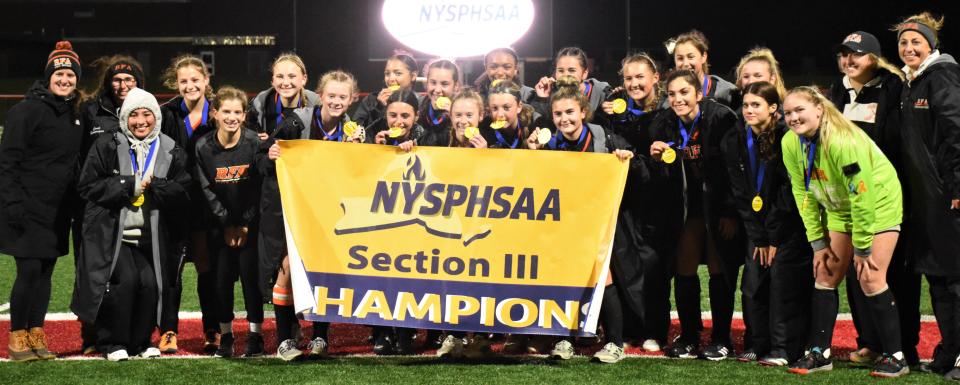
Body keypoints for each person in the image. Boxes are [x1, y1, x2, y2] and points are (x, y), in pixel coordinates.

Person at [781, 86, 907, 377]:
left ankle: (896, 356)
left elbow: (863, 197)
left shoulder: (842, 141)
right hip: (839, 207)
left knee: (870, 276)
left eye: (800, 110)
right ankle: (819, 352)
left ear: (819, 109)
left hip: (879, 204)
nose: (794, 118)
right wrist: (817, 242)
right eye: (788, 112)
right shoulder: (791, 142)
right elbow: (803, 193)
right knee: (825, 272)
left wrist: (862, 249)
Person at [825, 30, 920, 368]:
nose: (849, 60)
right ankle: (869, 341)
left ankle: (903, 346)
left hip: (885, 193)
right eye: (844, 54)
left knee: (891, 272)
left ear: (874, 58)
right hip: (851, 197)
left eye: (857, 54)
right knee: (857, 270)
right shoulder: (839, 90)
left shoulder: (892, 88)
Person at [75, 87, 190, 361]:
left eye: (147, 114)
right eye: (134, 115)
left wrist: (157, 188)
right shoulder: (108, 144)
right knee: (125, 281)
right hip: (114, 234)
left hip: (151, 236)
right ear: (124, 118)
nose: (141, 121)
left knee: (150, 284)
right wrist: (129, 185)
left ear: (156, 117)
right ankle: (112, 342)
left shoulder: (170, 148)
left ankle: (140, 342)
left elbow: (184, 191)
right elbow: (88, 185)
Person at [526, 76, 635, 363]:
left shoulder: (605, 138)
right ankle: (563, 339)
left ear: (583, 112)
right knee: (563, 278)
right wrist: (533, 157)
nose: (564, 119)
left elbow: (635, 174)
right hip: (562, 224)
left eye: (570, 112)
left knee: (602, 277)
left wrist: (624, 158)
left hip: (597, 224)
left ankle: (614, 343)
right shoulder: (547, 145)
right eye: (558, 114)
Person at [265, 70, 363, 358]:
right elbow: (265, 154)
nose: (336, 101)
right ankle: (285, 341)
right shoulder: (297, 122)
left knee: (324, 274)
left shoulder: (353, 132)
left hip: (331, 215)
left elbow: (358, 177)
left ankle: (320, 337)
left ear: (351, 100)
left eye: (342, 97)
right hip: (295, 210)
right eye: (331, 95)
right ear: (320, 96)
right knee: (286, 272)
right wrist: (271, 154)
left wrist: (356, 152)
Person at [0, 41, 84, 362]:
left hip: (57, 211)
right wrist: (12, 205)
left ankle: (37, 333)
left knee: (47, 273)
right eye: (59, 74)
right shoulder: (25, 110)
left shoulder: (74, 115)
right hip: (27, 208)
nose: (65, 80)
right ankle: (17, 336)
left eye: (70, 75)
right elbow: (8, 162)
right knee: (29, 272)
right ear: (48, 76)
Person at [649, 69, 740, 361]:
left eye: (684, 93)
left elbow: (734, 169)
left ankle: (721, 338)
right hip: (687, 207)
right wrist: (657, 159)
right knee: (684, 268)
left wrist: (728, 210)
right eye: (672, 94)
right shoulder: (663, 123)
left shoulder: (722, 118)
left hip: (717, 205)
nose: (678, 100)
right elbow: (661, 177)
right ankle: (689, 336)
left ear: (699, 94)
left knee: (718, 268)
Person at [721, 82, 812, 366]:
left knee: (783, 285)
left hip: (788, 225)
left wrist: (773, 235)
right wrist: (759, 236)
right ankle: (758, 343)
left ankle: (784, 348)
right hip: (758, 228)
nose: (748, 110)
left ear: (773, 108)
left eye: (756, 105)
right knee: (752, 285)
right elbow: (739, 192)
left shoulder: (788, 137)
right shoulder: (734, 139)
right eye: (746, 105)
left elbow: (788, 191)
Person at [892, 11, 960, 381]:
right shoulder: (912, 82)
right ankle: (950, 352)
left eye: (916, 41)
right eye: (903, 42)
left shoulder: (943, 76)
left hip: (947, 196)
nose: (908, 47)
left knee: (955, 279)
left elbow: (956, 132)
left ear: (932, 45)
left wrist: (957, 188)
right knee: (938, 278)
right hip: (927, 201)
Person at [596, 52, 670, 352]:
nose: (634, 83)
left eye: (640, 77)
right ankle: (628, 328)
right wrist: (603, 114)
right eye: (628, 78)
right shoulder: (615, 112)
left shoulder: (666, 114)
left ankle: (655, 329)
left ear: (655, 78)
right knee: (624, 264)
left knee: (653, 266)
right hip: (623, 198)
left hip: (657, 200)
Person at [247, 53, 318, 361]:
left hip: (313, 195)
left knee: (312, 263)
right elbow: (254, 157)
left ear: (304, 78)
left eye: (293, 76)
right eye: (280, 77)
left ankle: (318, 335)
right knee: (280, 264)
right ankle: (286, 335)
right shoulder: (260, 106)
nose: (286, 82)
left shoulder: (319, 104)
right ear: (272, 80)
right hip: (274, 195)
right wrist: (268, 153)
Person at [76, 54, 146, 354]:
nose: (122, 85)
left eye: (129, 79)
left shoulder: (146, 110)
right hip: (96, 204)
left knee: (128, 276)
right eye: (117, 79)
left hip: (131, 207)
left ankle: (128, 334)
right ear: (108, 82)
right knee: (93, 273)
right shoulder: (91, 110)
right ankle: (92, 336)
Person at [195, 86, 264, 358]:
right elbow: (205, 189)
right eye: (226, 111)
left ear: (245, 115)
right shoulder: (203, 147)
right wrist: (226, 224)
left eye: (237, 112)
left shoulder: (254, 143)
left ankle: (255, 336)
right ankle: (226, 336)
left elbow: (260, 187)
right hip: (219, 227)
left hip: (250, 226)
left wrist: (245, 223)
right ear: (215, 113)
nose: (232, 117)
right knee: (221, 282)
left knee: (251, 281)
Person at [157, 54, 219, 354]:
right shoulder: (165, 113)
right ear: (176, 84)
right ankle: (169, 330)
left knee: (207, 270)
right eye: (184, 81)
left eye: (196, 79)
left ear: (206, 81)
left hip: (208, 206)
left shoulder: (219, 113)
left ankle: (212, 329)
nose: (190, 85)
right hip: (175, 204)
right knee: (173, 271)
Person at [531, 47, 612, 118]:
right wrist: (542, 99)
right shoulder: (550, 92)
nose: (566, 75)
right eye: (561, 70)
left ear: (584, 73)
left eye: (572, 70)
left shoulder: (602, 93)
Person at [665, 30, 738, 109]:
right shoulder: (669, 100)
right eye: (680, 58)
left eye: (691, 57)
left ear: (703, 57)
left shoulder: (727, 92)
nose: (685, 63)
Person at [353, 53, 420, 137]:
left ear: (413, 76)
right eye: (387, 74)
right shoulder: (371, 100)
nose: (391, 79)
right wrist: (378, 108)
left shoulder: (420, 102)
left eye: (398, 73)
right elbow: (356, 129)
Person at [417, 59, 461, 147]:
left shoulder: (463, 111)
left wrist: (454, 118)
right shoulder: (417, 107)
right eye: (433, 82)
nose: (437, 90)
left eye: (444, 84)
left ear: (456, 86)